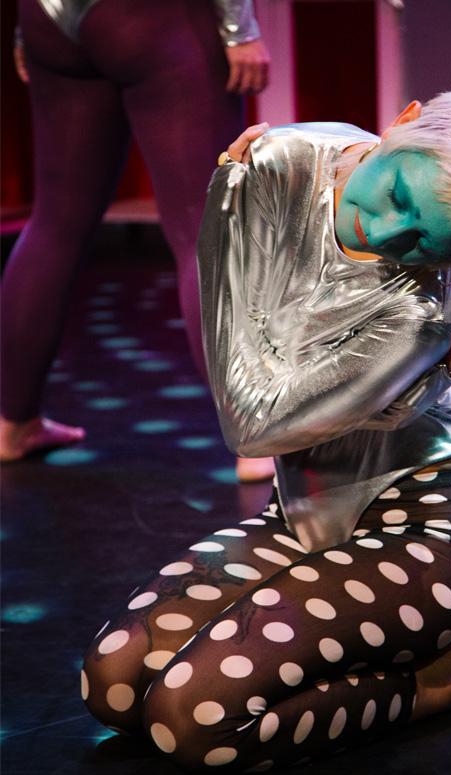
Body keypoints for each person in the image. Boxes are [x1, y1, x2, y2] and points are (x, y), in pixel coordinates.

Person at [81, 80, 451, 771]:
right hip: (301, 520)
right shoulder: (287, 159)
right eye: (397, 196)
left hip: (425, 538)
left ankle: (440, 680)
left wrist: (227, 213)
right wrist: (233, 201)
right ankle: (426, 655)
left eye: (426, 241)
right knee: (112, 682)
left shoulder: (424, 310)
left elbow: (250, 422)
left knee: (191, 722)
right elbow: (252, 387)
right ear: (402, 121)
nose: (390, 235)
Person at [0, 0, 274, 482]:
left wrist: (27, 31)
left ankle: (12, 424)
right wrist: (239, 27)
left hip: (46, 17)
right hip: (147, 17)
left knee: (55, 222)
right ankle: (256, 440)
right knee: (202, 229)